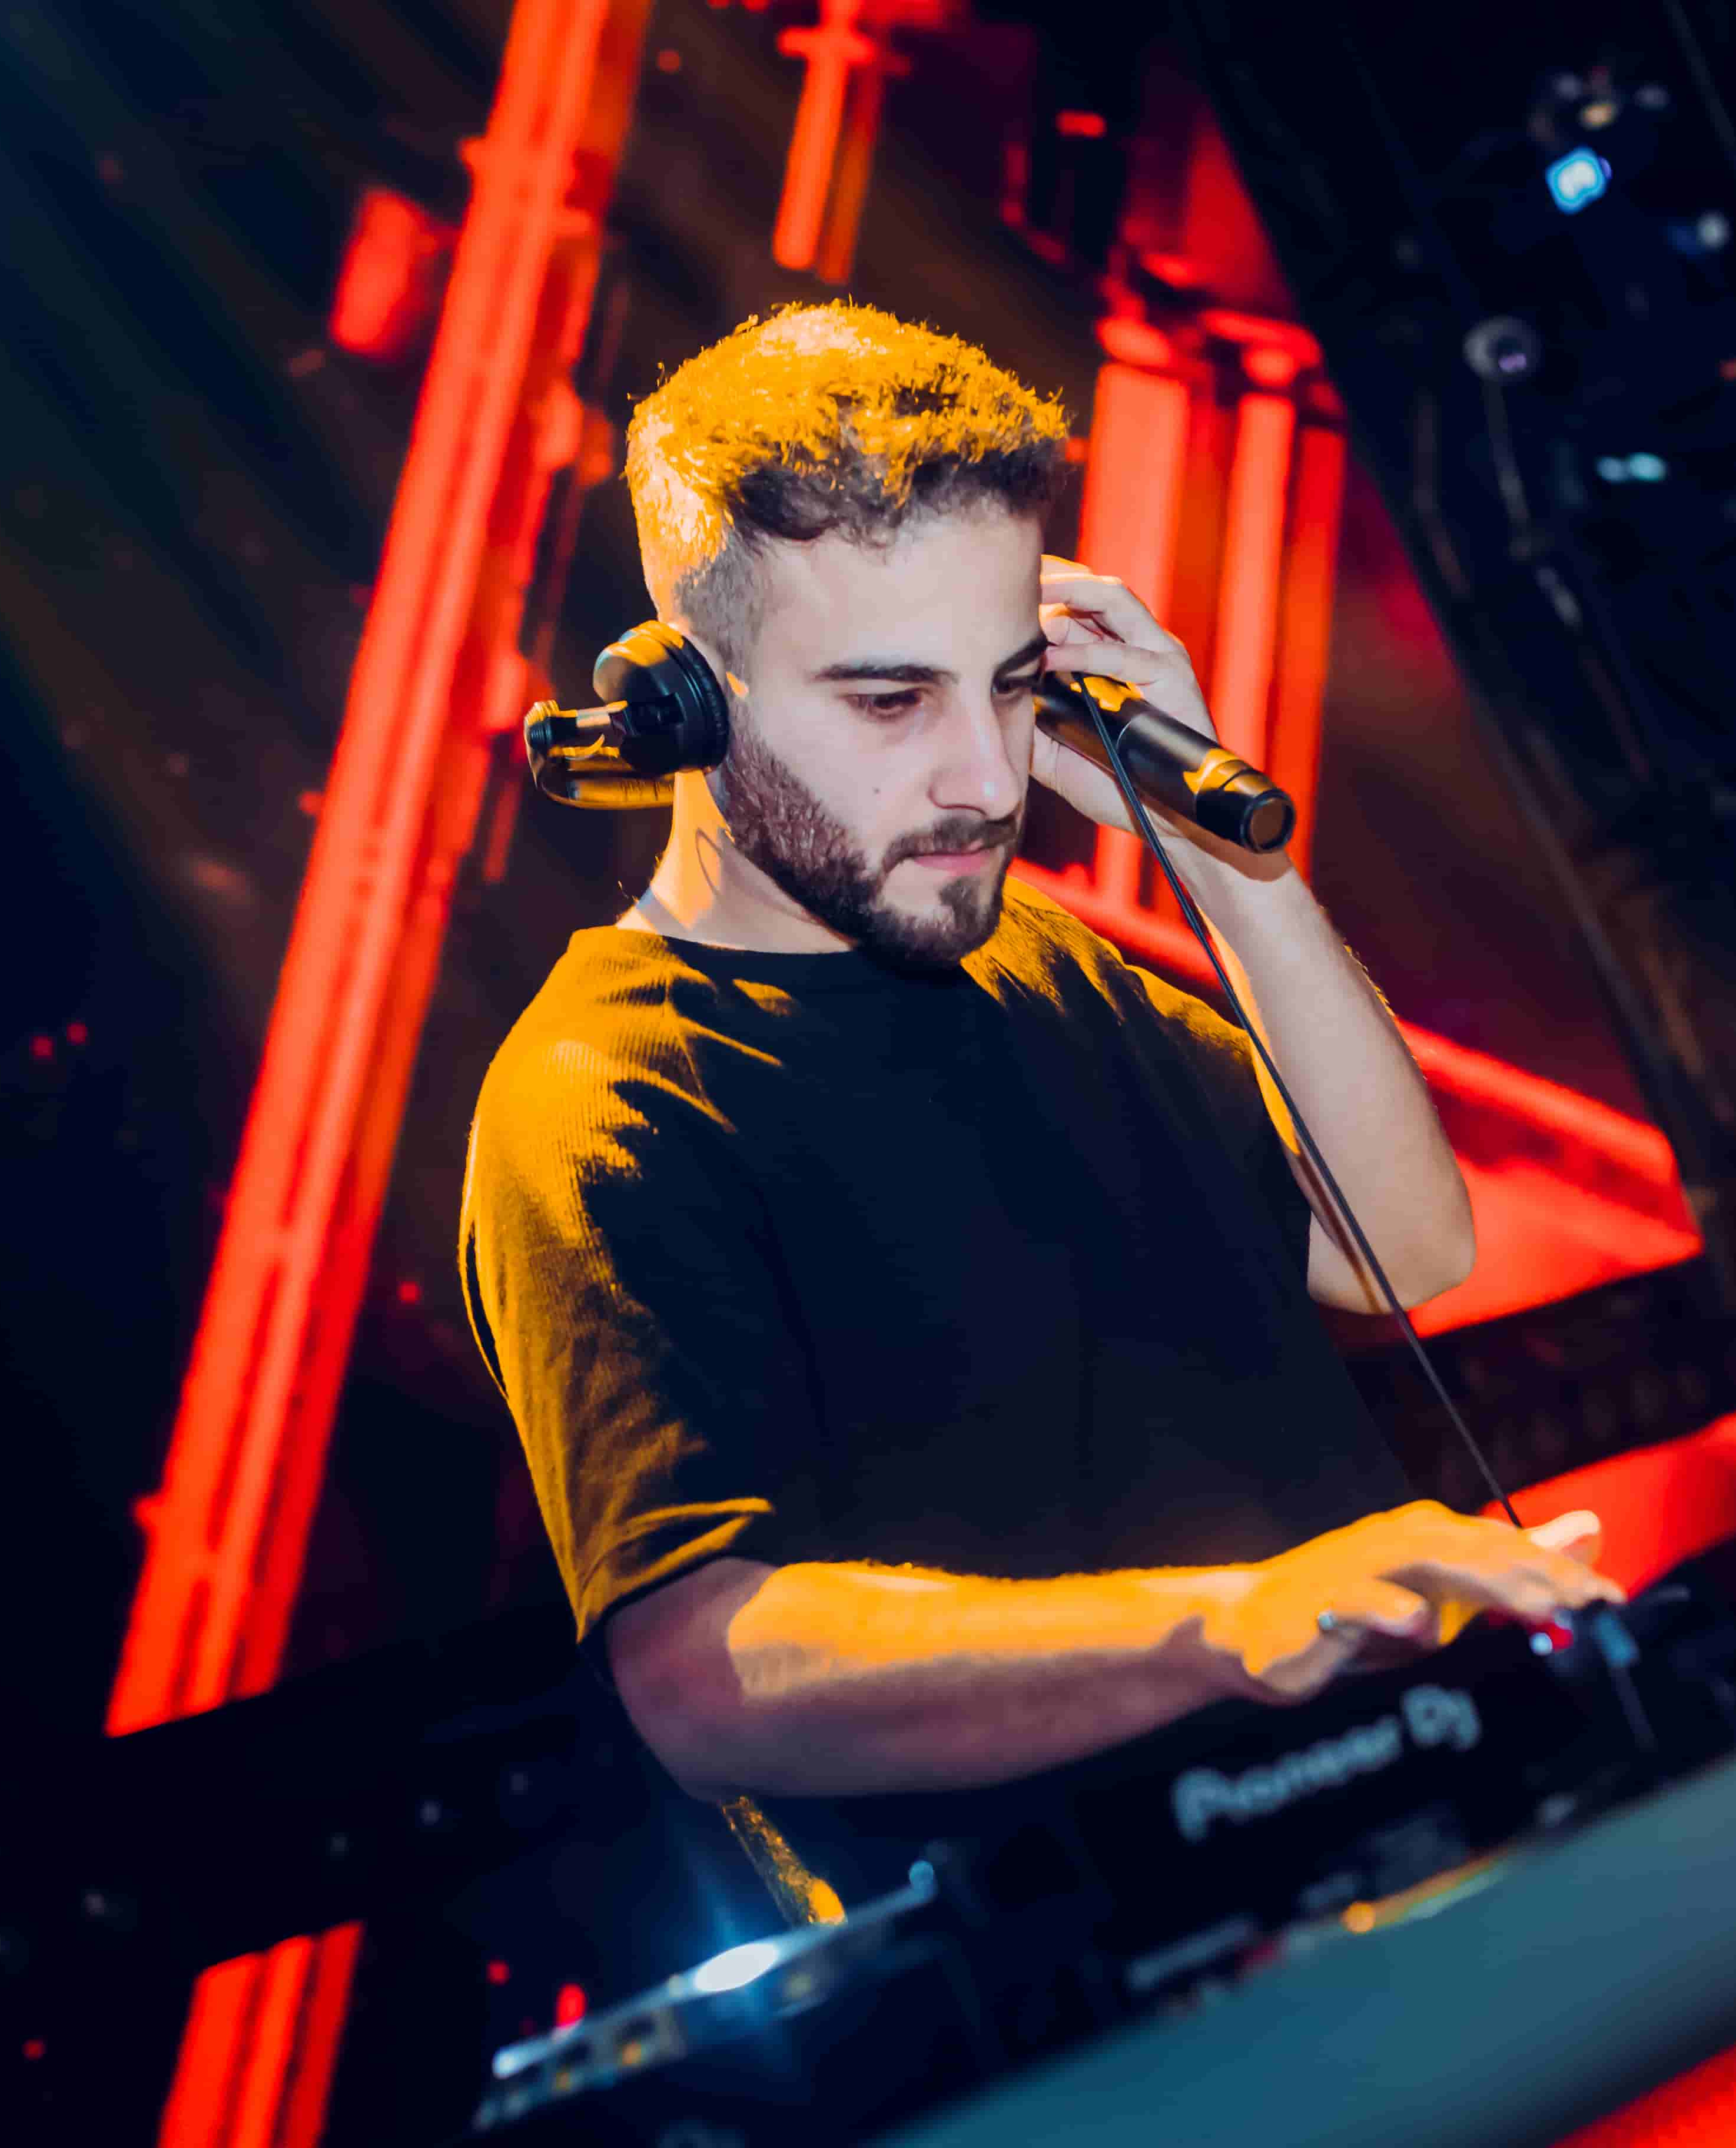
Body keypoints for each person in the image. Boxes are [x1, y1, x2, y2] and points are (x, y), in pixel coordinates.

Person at [459, 301, 1618, 1920]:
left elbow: (1406, 1250)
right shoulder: (603, 1100)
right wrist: (1233, 1623)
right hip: (1116, 1995)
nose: (990, 780)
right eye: (891, 702)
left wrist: (1228, 857)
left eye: (1010, 687)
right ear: (687, 706)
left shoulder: (1046, 961)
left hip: (1445, 1861)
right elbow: (701, 1673)